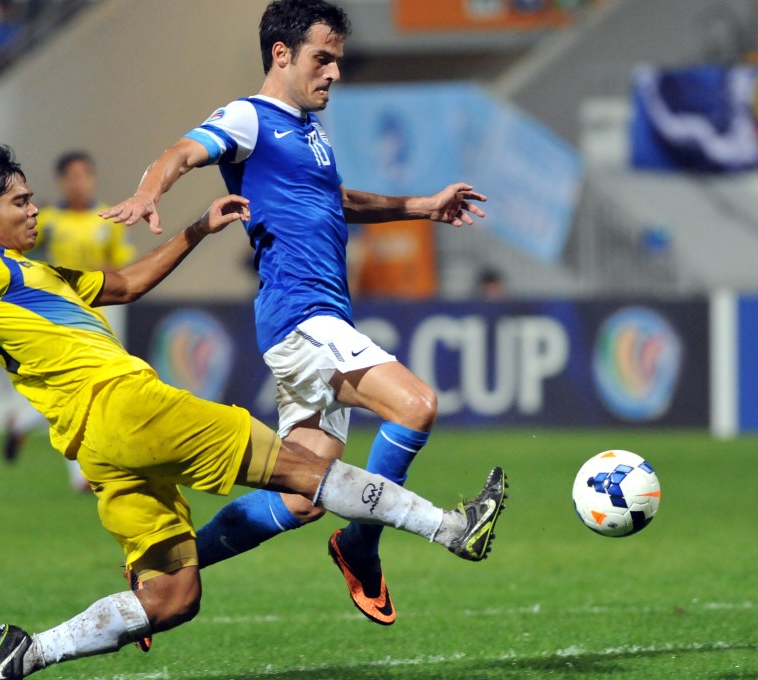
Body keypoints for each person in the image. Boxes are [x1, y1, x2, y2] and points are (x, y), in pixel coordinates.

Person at [0, 137, 507, 679]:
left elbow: (127, 284)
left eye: (32, 199)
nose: (34, 209)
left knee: (173, 598)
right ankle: (452, 530)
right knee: (302, 471)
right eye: (20, 202)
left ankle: (27, 653)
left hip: (96, 445)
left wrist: (197, 229)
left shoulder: (35, 272)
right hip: (129, 405)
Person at [102, 0, 497, 627]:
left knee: (301, 496)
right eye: (323, 58)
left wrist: (422, 205)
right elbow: (182, 151)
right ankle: (361, 545)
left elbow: (334, 200)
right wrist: (150, 191)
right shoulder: (248, 117)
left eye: (337, 60)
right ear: (281, 54)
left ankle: (171, 567)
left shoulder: (309, 135)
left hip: (319, 316)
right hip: (301, 316)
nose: (334, 72)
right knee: (416, 405)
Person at [1, 150, 135, 493]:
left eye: (84, 176)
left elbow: (120, 266)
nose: (78, 183)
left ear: (93, 179)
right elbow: (16, 254)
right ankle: (82, 476)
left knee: (82, 394)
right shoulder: (46, 220)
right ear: (62, 181)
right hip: (56, 315)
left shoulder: (107, 219)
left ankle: (22, 422)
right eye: (71, 177)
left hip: (97, 316)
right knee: (81, 393)